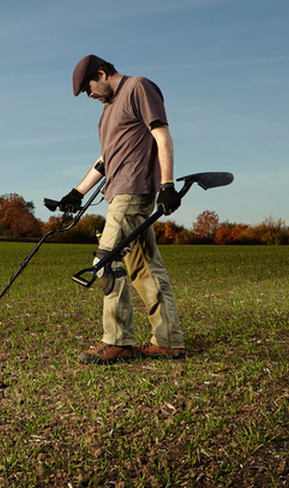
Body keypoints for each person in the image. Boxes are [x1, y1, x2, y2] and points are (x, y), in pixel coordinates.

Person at [57, 55, 186, 364]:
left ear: (101, 73)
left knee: (106, 261)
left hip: (132, 190)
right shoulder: (107, 113)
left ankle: (118, 341)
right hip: (118, 194)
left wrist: (167, 185)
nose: (90, 95)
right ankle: (168, 341)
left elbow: (161, 135)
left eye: (89, 87)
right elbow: (105, 160)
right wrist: (76, 193)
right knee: (145, 269)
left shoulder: (138, 87)